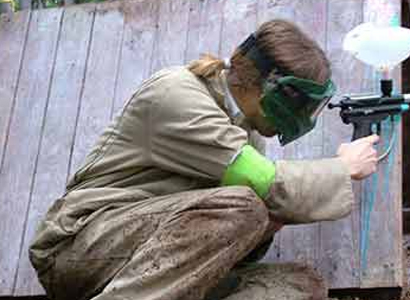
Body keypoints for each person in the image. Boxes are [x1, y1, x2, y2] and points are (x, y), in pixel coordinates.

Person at [29, 19, 380, 300]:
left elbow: (212, 238)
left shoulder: (243, 130)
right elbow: (263, 186)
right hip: (77, 250)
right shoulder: (176, 93)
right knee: (245, 204)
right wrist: (341, 169)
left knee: (301, 285)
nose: (302, 116)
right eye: (300, 103)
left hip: (141, 266)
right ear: (270, 87)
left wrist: (271, 221)